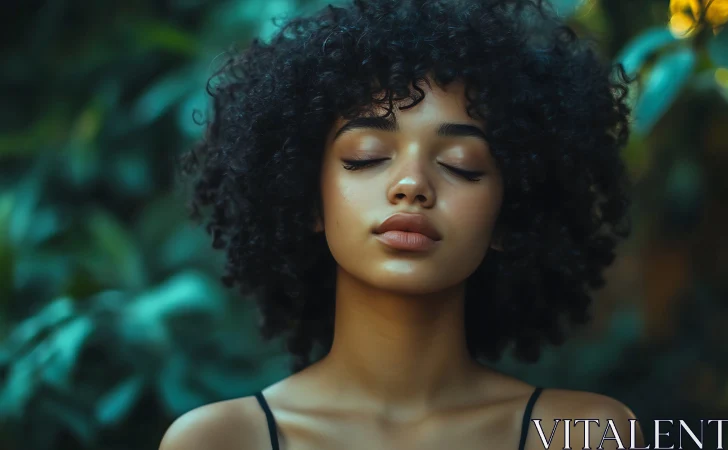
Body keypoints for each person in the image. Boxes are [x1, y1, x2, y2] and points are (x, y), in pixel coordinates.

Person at [160, 0, 645, 448]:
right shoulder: (219, 441)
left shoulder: (583, 435)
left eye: (461, 164)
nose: (412, 184)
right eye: (366, 156)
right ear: (308, 199)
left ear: (509, 216)